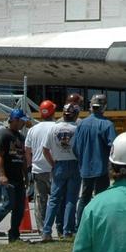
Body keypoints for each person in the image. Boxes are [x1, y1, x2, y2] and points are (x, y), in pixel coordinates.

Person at [73, 94, 117, 229]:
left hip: (85, 168)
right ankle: (99, 226)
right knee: (101, 199)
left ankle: (80, 226)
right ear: (104, 107)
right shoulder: (107, 124)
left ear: (91, 106)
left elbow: (74, 147)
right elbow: (113, 147)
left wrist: (82, 161)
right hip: (102, 169)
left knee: (84, 198)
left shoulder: (81, 124)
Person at [0, 108, 29, 243]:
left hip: (19, 177)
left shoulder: (20, 137)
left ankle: (14, 235)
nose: (23, 123)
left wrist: (26, 175)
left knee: (19, 208)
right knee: (8, 204)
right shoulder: (4, 135)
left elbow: (22, 157)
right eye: (22, 121)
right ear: (15, 120)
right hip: (8, 176)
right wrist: (2, 175)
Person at [42, 103, 80, 241]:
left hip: (59, 163)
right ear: (75, 115)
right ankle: (67, 230)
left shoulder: (54, 128)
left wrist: (53, 163)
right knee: (71, 199)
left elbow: (45, 149)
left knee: (54, 199)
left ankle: (46, 230)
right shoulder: (77, 128)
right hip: (74, 163)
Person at [25, 101, 57, 241]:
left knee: (40, 200)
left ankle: (42, 229)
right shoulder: (56, 127)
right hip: (53, 168)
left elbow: (28, 150)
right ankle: (59, 228)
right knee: (56, 200)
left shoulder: (34, 129)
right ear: (53, 112)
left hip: (38, 169)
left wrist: (29, 166)